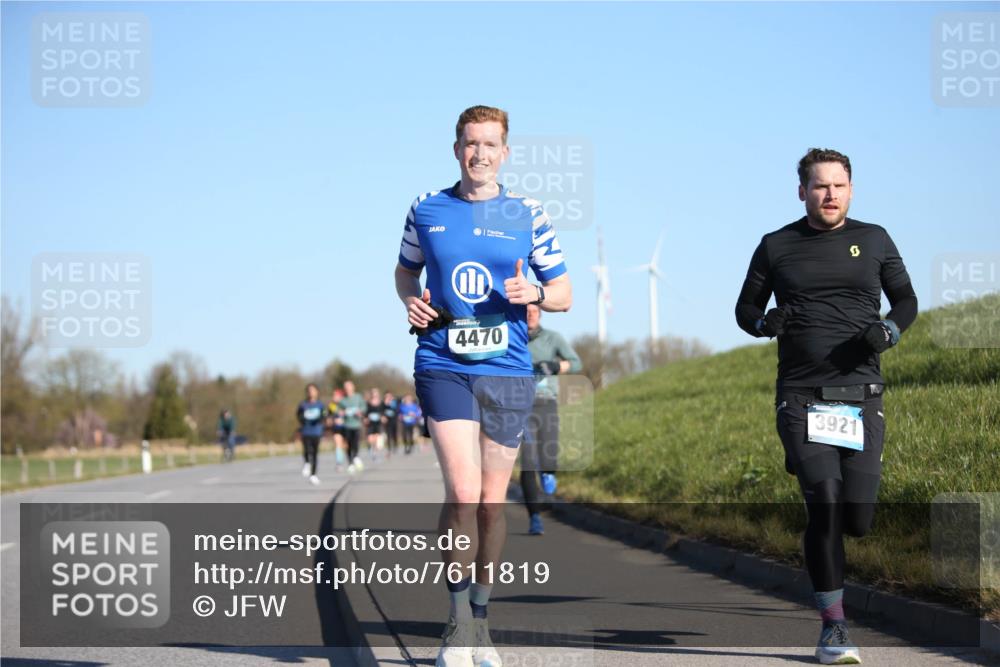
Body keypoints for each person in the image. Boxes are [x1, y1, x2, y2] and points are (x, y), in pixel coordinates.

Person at [395, 105, 572, 667]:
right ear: (456, 150)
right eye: (471, 144)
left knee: (494, 504)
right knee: (464, 494)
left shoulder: (528, 213)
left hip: (508, 368)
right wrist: (410, 299)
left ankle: (482, 617)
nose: (480, 154)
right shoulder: (427, 209)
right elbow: (405, 271)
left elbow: (564, 291)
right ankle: (456, 623)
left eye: (490, 144)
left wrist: (536, 297)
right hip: (443, 360)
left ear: (505, 153)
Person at [735, 148, 917, 665]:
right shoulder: (776, 245)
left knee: (857, 519)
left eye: (838, 185)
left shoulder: (875, 239)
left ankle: (827, 550)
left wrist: (890, 329)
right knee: (827, 508)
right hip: (801, 396)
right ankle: (834, 629)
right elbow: (745, 307)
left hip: (862, 396)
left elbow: (906, 299)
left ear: (851, 189)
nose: (829, 194)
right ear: (802, 192)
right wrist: (762, 323)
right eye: (819, 186)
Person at [521, 303, 581, 535]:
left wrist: (555, 365)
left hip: (546, 402)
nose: (530, 315)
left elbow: (576, 363)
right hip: (520, 405)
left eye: (534, 311)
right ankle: (534, 516)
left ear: (540, 314)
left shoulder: (553, 338)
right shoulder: (511, 337)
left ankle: (549, 472)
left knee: (548, 455)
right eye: (526, 312)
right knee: (527, 462)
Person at [296, 383, 328, 485]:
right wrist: (303, 420)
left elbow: (324, 416)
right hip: (306, 431)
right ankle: (307, 463)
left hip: (316, 431)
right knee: (306, 450)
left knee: (314, 453)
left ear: (317, 392)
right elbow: (298, 415)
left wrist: (320, 420)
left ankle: (313, 475)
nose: (311, 392)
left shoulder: (320, 405)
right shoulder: (303, 404)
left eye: (313, 390)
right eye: (309, 390)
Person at [339, 381, 366, 473]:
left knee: (356, 443)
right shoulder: (343, 400)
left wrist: (360, 411)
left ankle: (356, 457)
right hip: (347, 425)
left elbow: (364, 407)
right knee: (348, 445)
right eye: (345, 387)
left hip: (356, 424)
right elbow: (338, 411)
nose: (347, 389)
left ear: (353, 387)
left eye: (349, 387)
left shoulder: (358, 397)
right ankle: (350, 463)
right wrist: (341, 414)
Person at [328, 387, 348, 471]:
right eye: (333, 395)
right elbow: (328, 417)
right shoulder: (331, 405)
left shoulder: (345, 404)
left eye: (335, 395)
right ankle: (339, 463)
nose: (334, 397)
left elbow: (350, 415)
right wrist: (332, 420)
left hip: (346, 427)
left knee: (345, 445)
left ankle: (350, 460)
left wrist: (343, 419)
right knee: (337, 444)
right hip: (336, 428)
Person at [364, 388, 385, 461]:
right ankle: (370, 447)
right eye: (373, 393)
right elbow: (366, 412)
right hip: (370, 422)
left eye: (375, 393)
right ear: (371, 394)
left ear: (378, 394)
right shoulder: (368, 403)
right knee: (370, 438)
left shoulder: (381, 403)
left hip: (378, 422)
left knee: (376, 438)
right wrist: (365, 418)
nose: (374, 394)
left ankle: (374, 454)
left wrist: (383, 417)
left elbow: (383, 411)